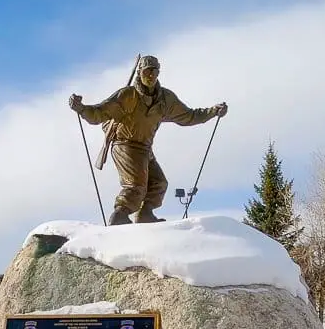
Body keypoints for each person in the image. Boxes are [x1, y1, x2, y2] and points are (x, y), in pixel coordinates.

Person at [70, 55, 227, 225]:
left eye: (155, 71)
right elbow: (99, 113)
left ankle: (145, 214)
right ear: (140, 72)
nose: (151, 75)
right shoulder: (128, 95)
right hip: (125, 145)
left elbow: (188, 116)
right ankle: (120, 215)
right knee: (135, 185)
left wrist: (213, 111)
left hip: (145, 147)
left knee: (158, 183)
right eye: (147, 71)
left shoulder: (165, 99)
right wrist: (81, 108)